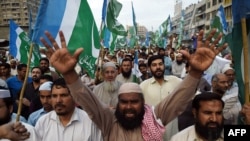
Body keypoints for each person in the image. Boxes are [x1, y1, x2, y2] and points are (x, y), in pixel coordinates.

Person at [39, 29, 227, 141]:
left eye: (134, 101)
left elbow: (179, 98)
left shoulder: (158, 120)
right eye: (124, 102)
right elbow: (86, 99)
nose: (129, 106)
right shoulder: (108, 120)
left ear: (143, 103)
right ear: (118, 103)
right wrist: (69, 74)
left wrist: (195, 72)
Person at [35, 78, 102, 141]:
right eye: (54, 96)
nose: (58, 100)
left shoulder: (90, 122)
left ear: (74, 97)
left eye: (63, 95)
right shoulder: (43, 123)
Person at [139, 55, 182, 140]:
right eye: (154, 65)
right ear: (149, 68)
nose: (158, 67)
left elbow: (191, 91)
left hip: (171, 128)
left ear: (164, 66)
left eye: (160, 64)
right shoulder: (143, 86)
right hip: (152, 131)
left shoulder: (175, 81)